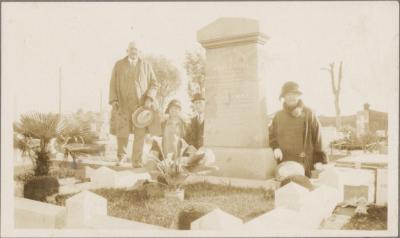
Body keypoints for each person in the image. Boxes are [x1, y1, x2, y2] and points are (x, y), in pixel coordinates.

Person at [109, 41, 159, 168]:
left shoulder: (146, 66)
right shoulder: (119, 65)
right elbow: (112, 83)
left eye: (136, 49)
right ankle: (121, 158)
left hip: (141, 106)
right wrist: (114, 100)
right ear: (127, 51)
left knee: (140, 134)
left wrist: (149, 98)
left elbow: (154, 84)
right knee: (122, 133)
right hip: (123, 105)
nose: (133, 51)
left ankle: (137, 161)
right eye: (131, 49)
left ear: (139, 51)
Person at [269, 81, 328, 177]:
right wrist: (275, 146)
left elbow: (317, 136)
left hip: (304, 161)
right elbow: (271, 134)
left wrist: (319, 159)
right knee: (286, 188)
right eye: (288, 94)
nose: (291, 97)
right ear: (283, 97)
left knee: (303, 188)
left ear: (298, 96)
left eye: (294, 94)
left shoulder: (309, 113)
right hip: (284, 161)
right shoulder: (278, 115)